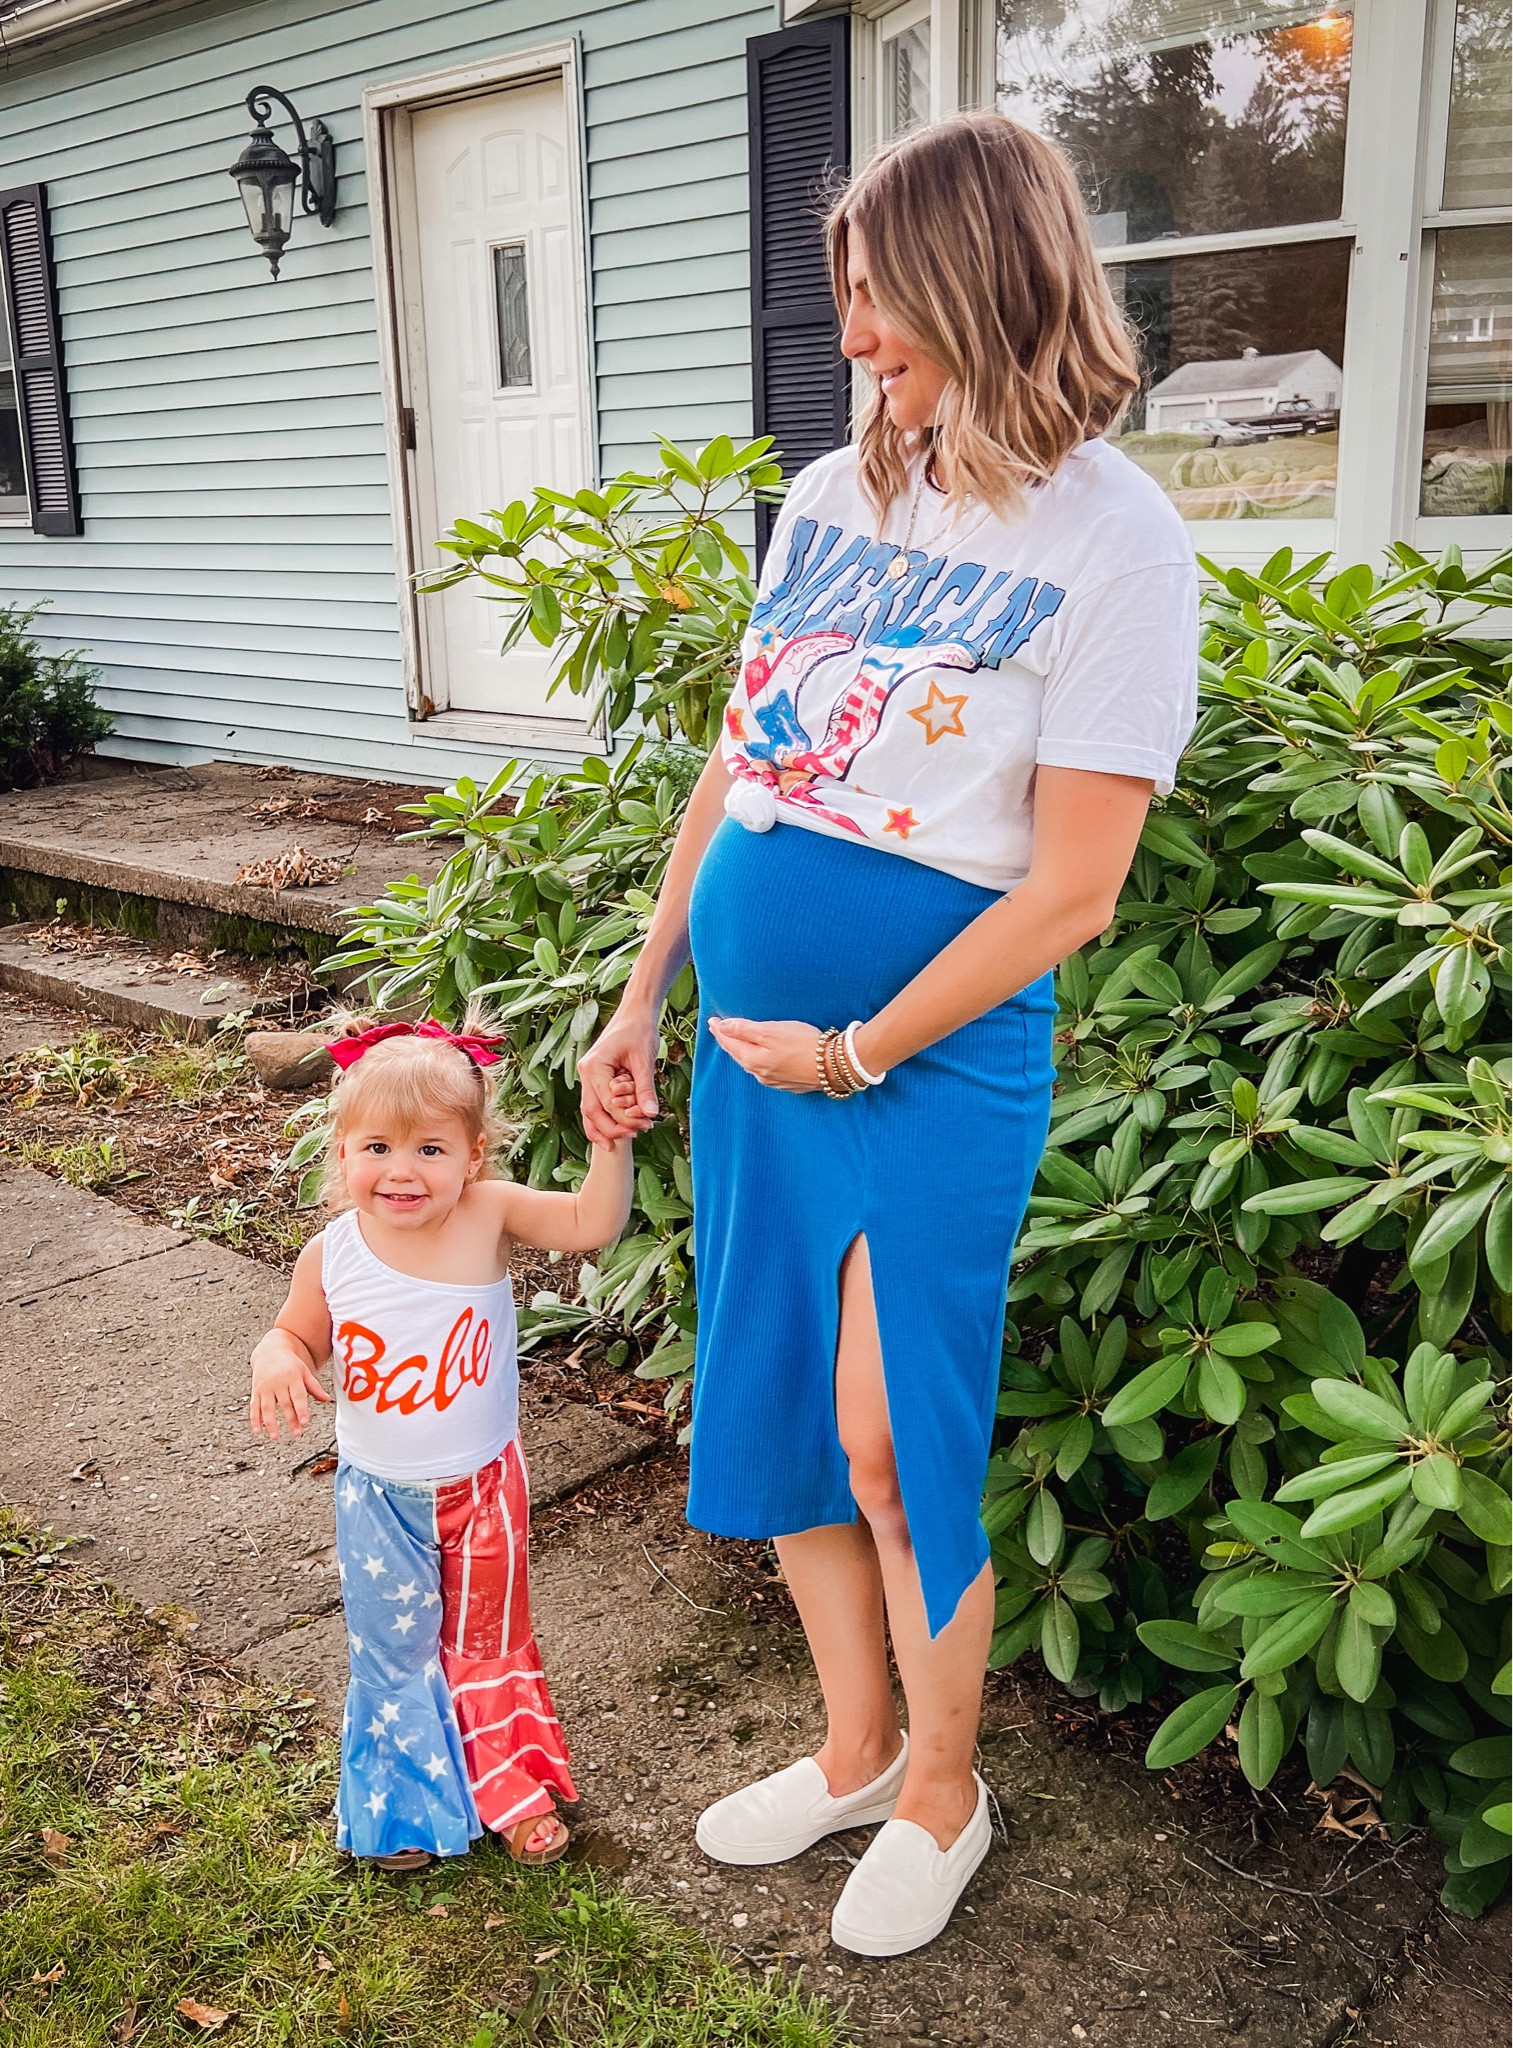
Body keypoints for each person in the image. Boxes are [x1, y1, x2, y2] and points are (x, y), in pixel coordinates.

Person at [579, 110, 1198, 1957]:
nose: (849, 335)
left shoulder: (1117, 539)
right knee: (776, 1395)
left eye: (876, 297)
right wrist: (640, 987)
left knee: (882, 1431)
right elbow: (740, 760)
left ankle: (946, 1783)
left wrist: (855, 1048)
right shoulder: (833, 496)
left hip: (923, 1053)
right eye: (842, 298)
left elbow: (1071, 888)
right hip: (755, 1039)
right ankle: (852, 1747)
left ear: (982, 278)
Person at [249, 1012, 633, 1872]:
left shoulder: (488, 1214)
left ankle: (507, 1787)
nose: (402, 1170)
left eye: (430, 1149)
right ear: (342, 1153)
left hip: (485, 1486)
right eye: (377, 1146)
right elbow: (295, 1335)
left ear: (473, 1158)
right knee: (394, 1647)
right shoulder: (332, 1253)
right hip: (380, 1497)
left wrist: (609, 1143)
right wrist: (275, 1353)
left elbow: (589, 1223)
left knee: (487, 1641)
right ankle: (406, 1809)